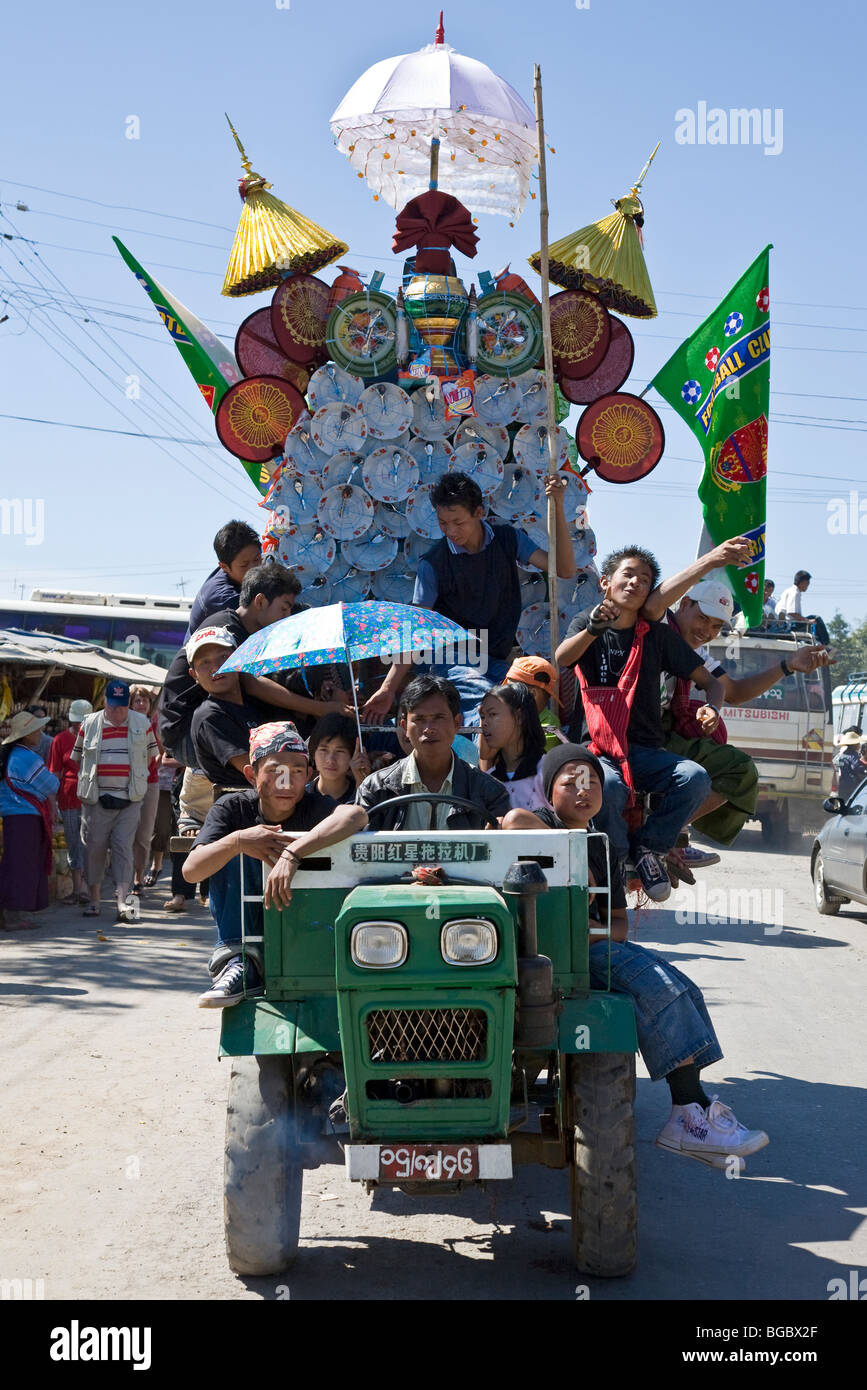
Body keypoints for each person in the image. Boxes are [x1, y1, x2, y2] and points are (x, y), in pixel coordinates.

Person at [505, 744, 769, 1168]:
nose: (583, 789)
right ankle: (690, 1116)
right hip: (550, 957)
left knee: (683, 987)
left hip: (591, 947)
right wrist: (564, 857)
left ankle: (692, 1112)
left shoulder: (605, 847)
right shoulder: (540, 825)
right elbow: (513, 822)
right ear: (547, 790)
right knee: (657, 987)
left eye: (591, 781)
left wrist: (584, 929)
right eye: (568, 780)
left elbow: (619, 925)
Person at [555, 547, 725, 902]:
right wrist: (592, 630)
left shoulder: (659, 638)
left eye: (644, 580)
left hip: (645, 752)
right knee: (609, 790)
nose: (635, 583)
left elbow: (713, 682)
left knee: (695, 778)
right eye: (628, 574)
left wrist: (713, 708)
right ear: (606, 582)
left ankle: (648, 849)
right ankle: (615, 863)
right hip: (596, 752)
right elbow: (563, 658)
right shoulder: (585, 622)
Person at [361, 470, 576, 723]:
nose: (450, 530)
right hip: (448, 661)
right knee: (490, 707)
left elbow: (564, 568)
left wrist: (558, 506)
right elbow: (415, 630)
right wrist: (387, 689)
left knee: (527, 698)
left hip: (494, 659)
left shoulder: (508, 539)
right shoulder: (433, 564)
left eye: (458, 522)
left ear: (479, 513)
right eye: (443, 522)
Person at [184, 721, 367, 1007]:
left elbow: (355, 815)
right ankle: (239, 962)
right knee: (231, 847)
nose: (286, 782)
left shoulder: (314, 804)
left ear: (308, 775)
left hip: (305, 925)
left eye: (296, 772)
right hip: (247, 926)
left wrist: (293, 852)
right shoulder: (233, 808)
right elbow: (191, 870)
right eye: (274, 771)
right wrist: (238, 841)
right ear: (250, 774)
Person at [652, 581, 831, 863]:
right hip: (638, 728)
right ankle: (657, 837)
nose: (706, 631)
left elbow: (732, 691)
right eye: (702, 618)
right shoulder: (657, 627)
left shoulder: (696, 653)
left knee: (739, 772)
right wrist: (714, 558)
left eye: (715, 627)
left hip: (661, 732)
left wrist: (788, 666)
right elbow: (656, 601)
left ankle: (660, 835)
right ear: (683, 604)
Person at [160, 563, 345, 767]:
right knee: (275, 763)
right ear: (260, 601)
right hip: (186, 732)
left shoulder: (257, 634)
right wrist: (321, 709)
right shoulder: (225, 629)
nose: (286, 616)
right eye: (284, 608)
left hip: (225, 723)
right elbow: (253, 685)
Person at [356, 674, 511, 831]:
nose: (429, 729)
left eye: (439, 717)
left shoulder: (490, 793)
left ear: (457, 723)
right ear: (404, 726)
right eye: (420, 719)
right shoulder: (375, 789)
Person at [71, 680, 158, 922]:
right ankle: (95, 900)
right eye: (114, 706)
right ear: (106, 703)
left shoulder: (142, 723)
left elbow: (152, 757)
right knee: (94, 849)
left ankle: (122, 903)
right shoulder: (89, 724)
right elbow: (77, 757)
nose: (118, 711)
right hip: (96, 800)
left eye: (122, 706)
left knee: (123, 849)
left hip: (130, 800)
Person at [187, 626, 297, 792]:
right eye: (204, 662)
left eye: (223, 657)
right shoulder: (209, 716)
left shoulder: (256, 704)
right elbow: (259, 771)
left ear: (238, 658)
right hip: (245, 809)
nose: (215, 667)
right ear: (194, 674)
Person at [0, 710, 59, 931]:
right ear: (26, 735)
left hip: (14, 817)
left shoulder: (12, 755)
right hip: (25, 817)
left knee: (13, 864)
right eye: (36, 730)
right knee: (21, 866)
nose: (40, 733)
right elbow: (52, 785)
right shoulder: (27, 758)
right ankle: (13, 917)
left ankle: (8, 913)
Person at [47, 697, 92, 905]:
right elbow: (54, 773)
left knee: (90, 843)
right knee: (73, 842)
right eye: (75, 721)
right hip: (68, 797)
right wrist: (52, 803)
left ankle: (88, 888)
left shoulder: (97, 738)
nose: (77, 725)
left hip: (92, 797)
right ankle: (78, 889)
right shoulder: (60, 740)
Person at [184, 520, 262, 639]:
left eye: (257, 559)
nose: (254, 569)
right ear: (224, 566)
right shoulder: (223, 598)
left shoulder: (236, 574)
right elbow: (264, 617)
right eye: (244, 565)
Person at [478, 681, 549, 811]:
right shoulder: (488, 779)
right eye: (482, 717)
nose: (484, 723)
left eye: (492, 714)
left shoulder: (548, 771)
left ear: (519, 717)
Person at [129, 685, 162, 894]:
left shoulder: (155, 724)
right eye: (137, 700)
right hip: (125, 783)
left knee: (144, 833)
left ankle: (138, 878)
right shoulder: (122, 724)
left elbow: (160, 753)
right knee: (124, 834)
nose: (141, 704)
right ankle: (125, 878)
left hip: (149, 782)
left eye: (145, 701)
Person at [307, 713, 371, 805]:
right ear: (313, 752)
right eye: (324, 750)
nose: (330, 759)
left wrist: (361, 785)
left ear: (353, 754)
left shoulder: (369, 795)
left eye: (340, 751)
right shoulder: (301, 796)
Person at [504, 654, 563, 750]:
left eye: (511, 688)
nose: (506, 694)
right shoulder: (512, 717)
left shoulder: (549, 726)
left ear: (532, 693)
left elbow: (519, 756)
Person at [833, 729, 866, 801]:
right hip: (851, 786)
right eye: (858, 743)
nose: (859, 745)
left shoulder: (843, 755)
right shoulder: (853, 756)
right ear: (854, 744)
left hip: (842, 785)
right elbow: (857, 769)